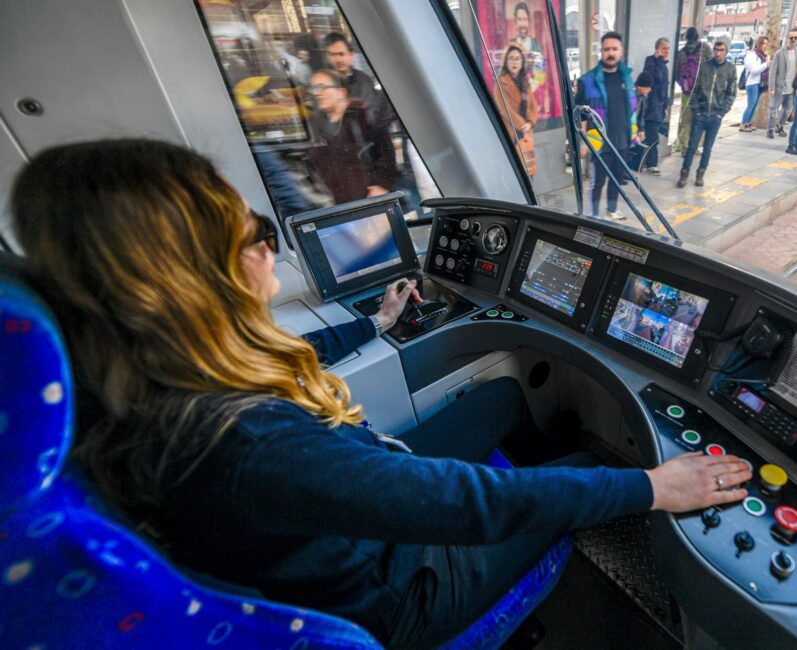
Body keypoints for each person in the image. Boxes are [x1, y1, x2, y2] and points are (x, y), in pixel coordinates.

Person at [10, 138, 753, 650]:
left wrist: (373, 322)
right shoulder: (248, 446)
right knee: (588, 477)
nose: (269, 246)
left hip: (327, 524)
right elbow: (468, 505)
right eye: (253, 232)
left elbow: (267, 356)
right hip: (398, 591)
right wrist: (651, 485)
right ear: (186, 278)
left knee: (498, 399)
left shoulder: (128, 374)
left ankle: (556, 474)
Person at [306, 69, 397, 204]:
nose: (317, 93)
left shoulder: (363, 117)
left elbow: (386, 152)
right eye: (313, 89)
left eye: (322, 87)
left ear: (341, 92)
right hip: (336, 207)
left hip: (369, 202)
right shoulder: (315, 126)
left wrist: (381, 186)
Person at [575, 31, 637, 220]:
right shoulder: (587, 80)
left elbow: (632, 109)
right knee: (598, 182)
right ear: (601, 51)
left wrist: (635, 132)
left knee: (617, 180)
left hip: (623, 141)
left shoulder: (627, 78)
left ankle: (611, 209)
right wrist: (583, 142)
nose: (610, 53)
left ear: (621, 51)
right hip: (600, 144)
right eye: (606, 49)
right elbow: (579, 114)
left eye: (614, 49)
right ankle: (593, 215)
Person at [677, 36, 737, 188]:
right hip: (701, 114)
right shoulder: (704, 66)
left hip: (715, 115)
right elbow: (695, 90)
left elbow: (731, 93)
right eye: (716, 49)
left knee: (708, 147)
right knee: (692, 146)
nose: (718, 53)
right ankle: (684, 173)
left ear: (726, 51)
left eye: (721, 50)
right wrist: (696, 110)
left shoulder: (730, 69)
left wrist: (722, 112)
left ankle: (700, 173)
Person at [323, 32, 396, 128]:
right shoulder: (321, 82)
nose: (338, 60)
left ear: (351, 55)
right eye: (332, 55)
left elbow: (371, 117)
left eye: (341, 54)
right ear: (327, 57)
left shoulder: (364, 80)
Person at [494, 45, 539, 178]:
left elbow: (533, 106)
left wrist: (530, 123)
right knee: (513, 173)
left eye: (517, 59)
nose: (514, 62)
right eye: (511, 58)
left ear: (522, 62)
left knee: (529, 172)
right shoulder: (501, 82)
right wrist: (522, 125)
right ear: (506, 61)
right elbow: (504, 109)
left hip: (525, 134)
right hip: (511, 132)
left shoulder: (525, 83)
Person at [674, 27, 713, 153]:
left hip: (687, 92)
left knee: (686, 118)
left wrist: (684, 85)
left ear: (686, 37)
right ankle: (694, 147)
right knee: (699, 118)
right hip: (702, 91)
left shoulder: (681, 52)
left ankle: (684, 146)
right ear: (697, 36)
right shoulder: (705, 48)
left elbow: (676, 72)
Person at [641, 38, 672, 174]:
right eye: (664, 48)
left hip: (659, 108)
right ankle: (650, 164)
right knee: (653, 138)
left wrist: (665, 107)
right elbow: (656, 78)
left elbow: (664, 89)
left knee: (652, 137)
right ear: (657, 49)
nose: (666, 52)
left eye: (668, 49)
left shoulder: (664, 65)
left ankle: (644, 163)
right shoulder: (650, 62)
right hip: (650, 107)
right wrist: (659, 60)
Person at [767, 30, 797, 139]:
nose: (793, 40)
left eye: (795, 38)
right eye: (791, 37)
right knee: (774, 109)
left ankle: (780, 126)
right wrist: (772, 87)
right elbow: (773, 71)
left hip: (791, 88)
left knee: (787, 110)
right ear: (787, 38)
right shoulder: (780, 53)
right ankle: (770, 129)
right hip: (779, 88)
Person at [739, 36, 770, 132]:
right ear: (758, 44)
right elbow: (754, 70)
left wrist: (767, 59)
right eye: (763, 43)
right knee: (751, 104)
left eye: (766, 44)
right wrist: (766, 64)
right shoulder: (752, 55)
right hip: (752, 83)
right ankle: (743, 124)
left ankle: (748, 123)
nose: (765, 46)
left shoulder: (763, 55)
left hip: (760, 83)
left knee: (755, 104)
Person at [630, 71, 655, 172]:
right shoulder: (630, 96)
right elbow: (629, 118)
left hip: (633, 127)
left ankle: (627, 171)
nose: (650, 90)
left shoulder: (642, 97)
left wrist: (641, 129)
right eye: (648, 87)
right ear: (640, 87)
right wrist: (634, 135)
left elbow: (641, 115)